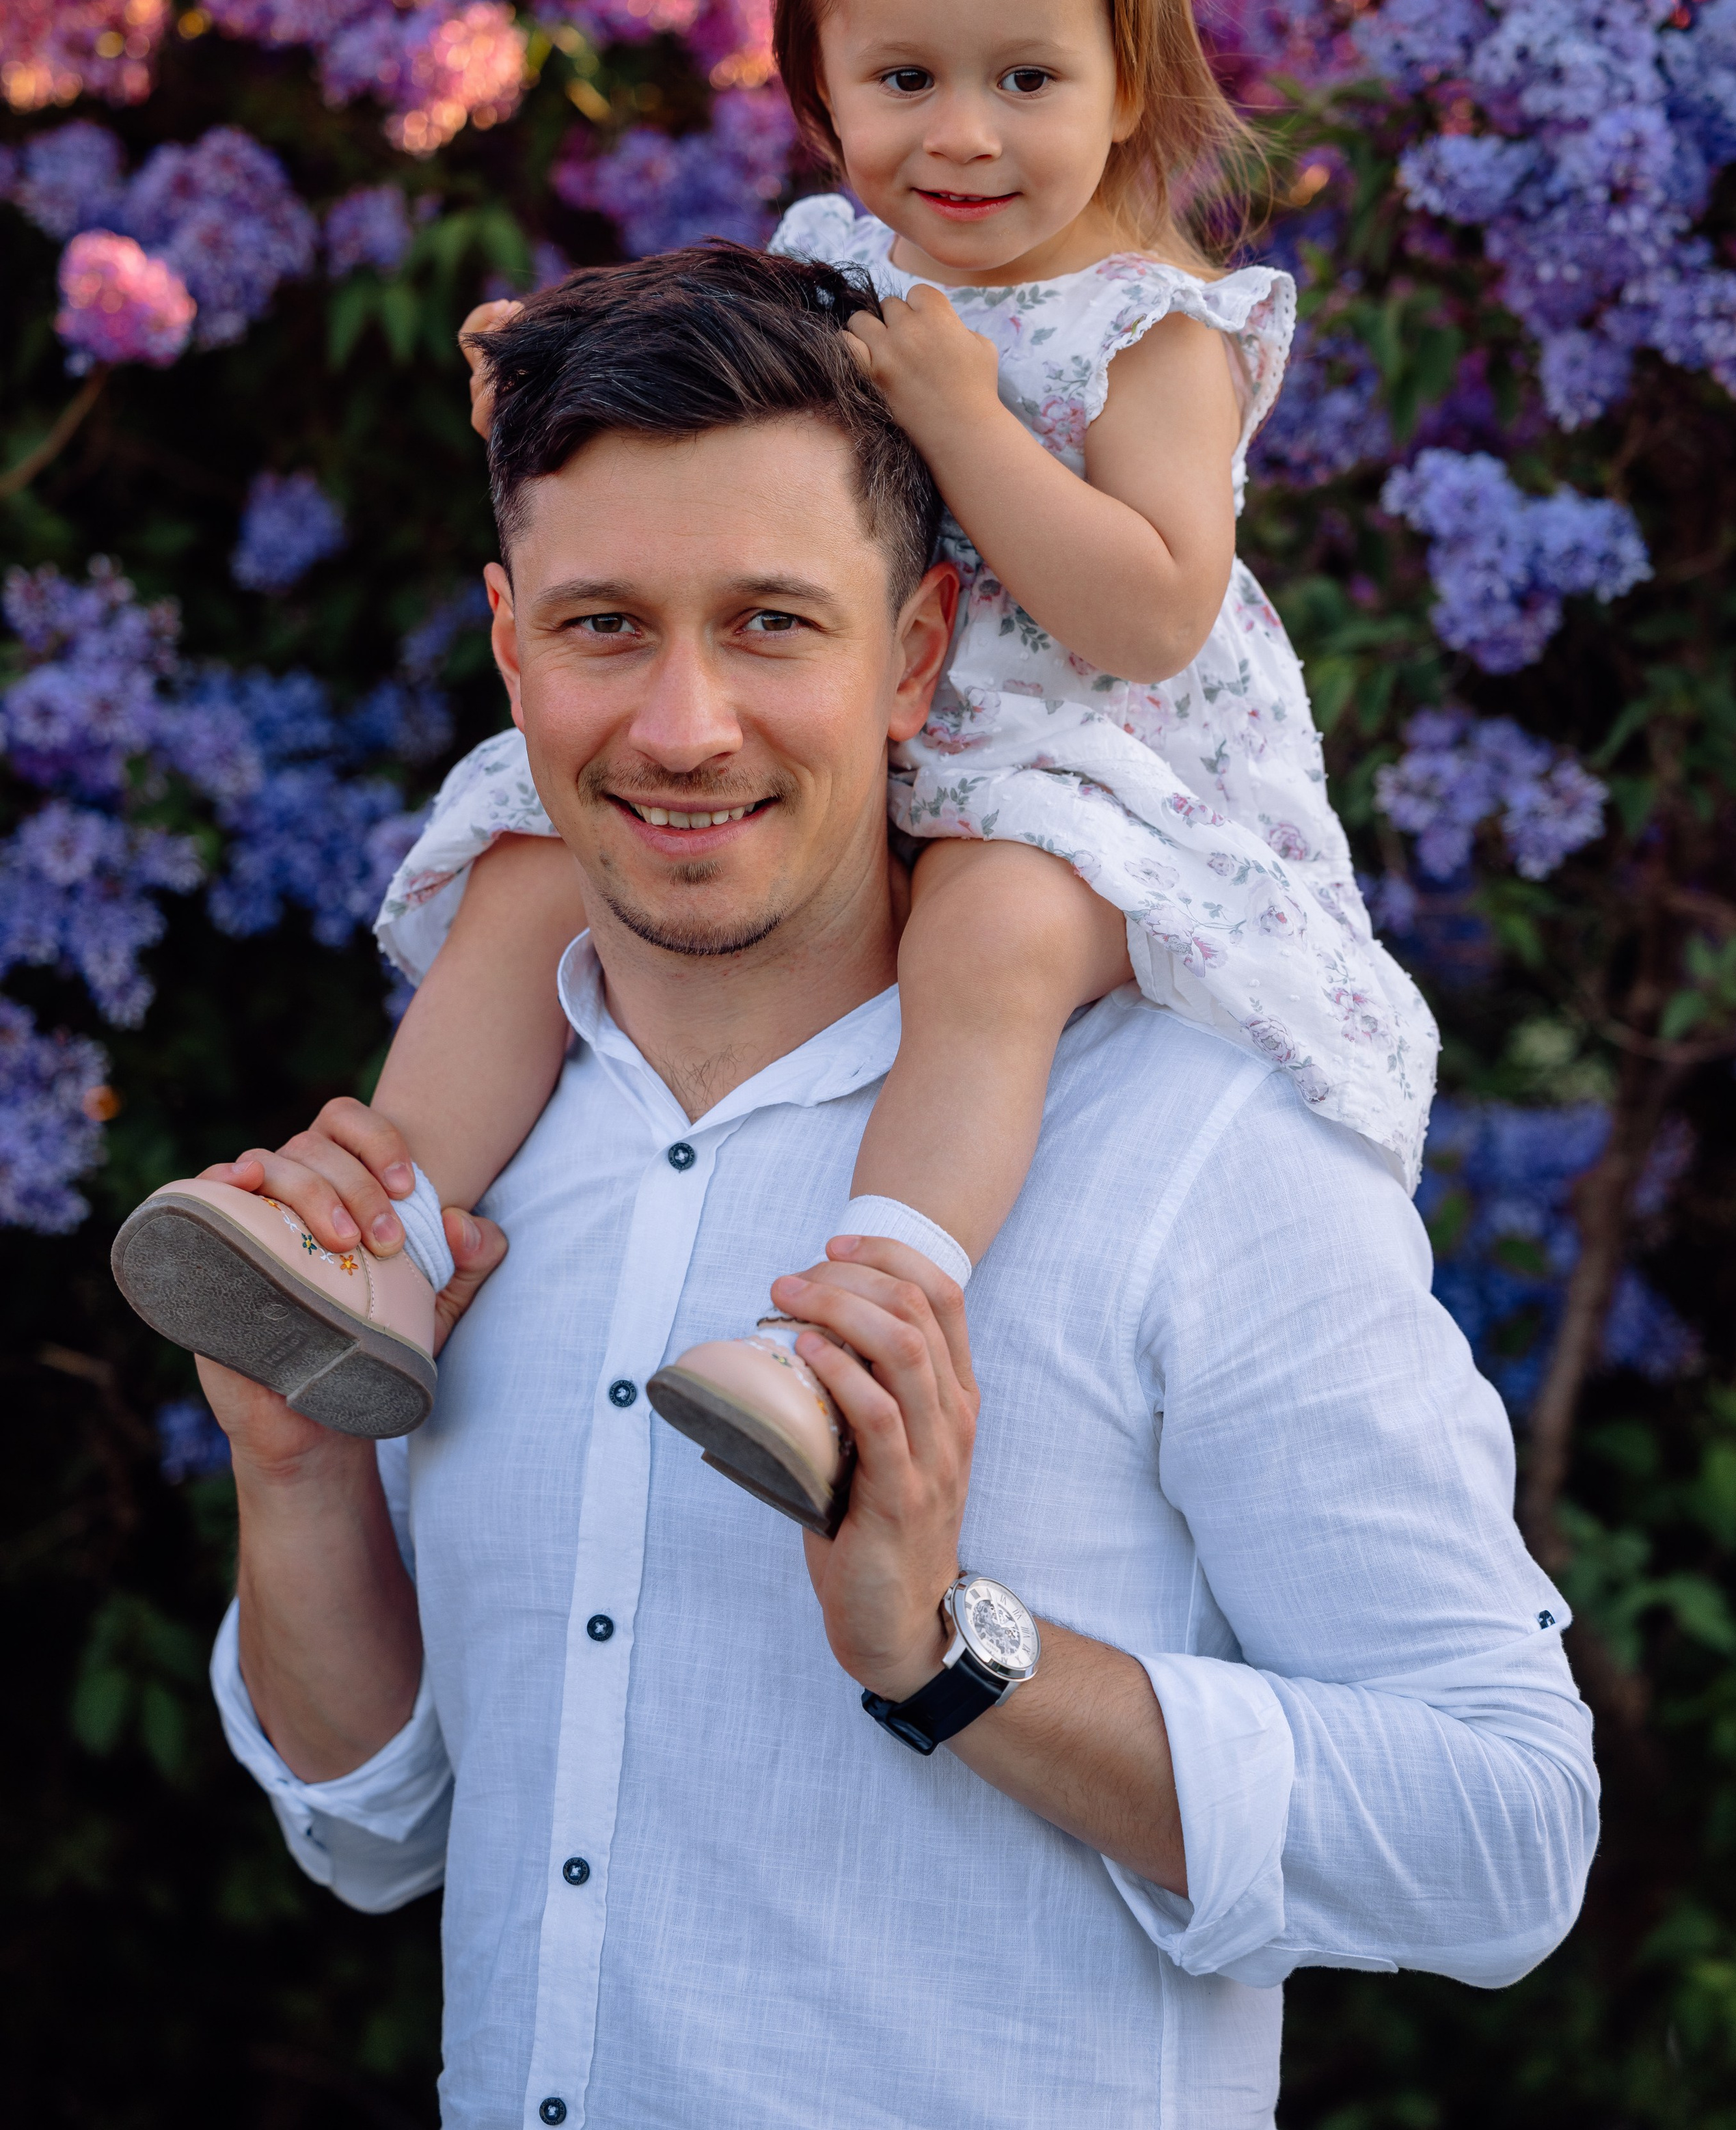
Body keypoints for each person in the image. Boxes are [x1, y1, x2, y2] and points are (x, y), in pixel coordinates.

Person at [191, 249, 1594, 2127]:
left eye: (772, 624)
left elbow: (1506, 1839)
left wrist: (951, 1656)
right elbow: (375, 1836)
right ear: (510, 645)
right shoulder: (462, 1153)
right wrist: (294, 1478)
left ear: (920, 652)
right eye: (606, 627)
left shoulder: (1197, 1148)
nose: (684, 727)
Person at [288, 0, 1433, 1518]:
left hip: (1071, 771)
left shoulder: (1156, 331)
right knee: (529, 859)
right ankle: (381, 1245)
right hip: (831, 724)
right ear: (821, 88)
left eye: (1026, 80)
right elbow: (716, 409)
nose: (961, 138)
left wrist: (967, 423)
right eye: (904, 82)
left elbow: (1154, 617)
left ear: (1131, 76)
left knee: (987, 943)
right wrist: (553, 359)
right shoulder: (837, 255)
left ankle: (855, 1326)